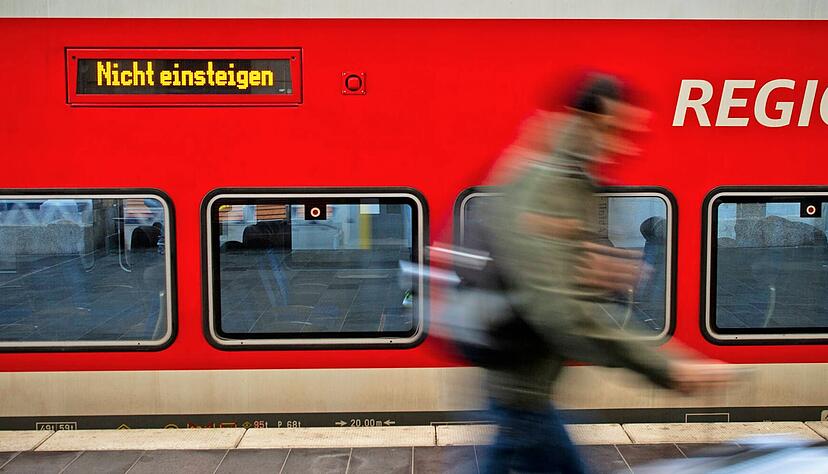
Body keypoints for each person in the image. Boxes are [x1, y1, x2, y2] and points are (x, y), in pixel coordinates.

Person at [480, 74, 729, 473]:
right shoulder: (553, 185)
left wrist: (590, 273)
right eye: (614, 130)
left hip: (525, 390)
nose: (623, 144)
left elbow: (546, 273)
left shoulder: (567, 179)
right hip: (522, 390)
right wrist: (667, 366)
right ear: (585, 122)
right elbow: (559, 310)